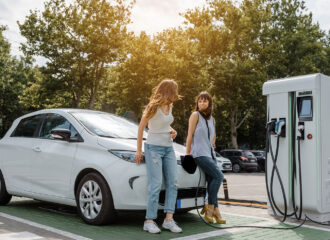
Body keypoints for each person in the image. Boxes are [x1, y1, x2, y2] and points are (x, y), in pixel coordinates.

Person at [135, 79, 182, 234]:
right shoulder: (152, 106)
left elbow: (164, 124)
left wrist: (172, 130)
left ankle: (168, 219)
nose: (176, 94)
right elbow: (142, 128)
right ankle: (149, 221)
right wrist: (139, 150)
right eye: (175, 90)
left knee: (173, 183)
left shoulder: (170, 105)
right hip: (153, 148)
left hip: (168, 148)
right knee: (155, 184)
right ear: (169, 90)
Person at [185, 91, 226, 224]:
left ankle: (214, 210)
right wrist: (187, 153)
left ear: (209, 103)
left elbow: (213, 137)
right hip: (199, 154)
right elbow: (189, 135)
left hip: (210, 154)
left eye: (205, 101)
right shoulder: (195, 115)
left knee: (213, 181)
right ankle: (211, 207)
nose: (202, 103)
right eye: (200, 101)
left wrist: (212, 143)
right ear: (197, 103)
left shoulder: (212, 119)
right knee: (219, 176)